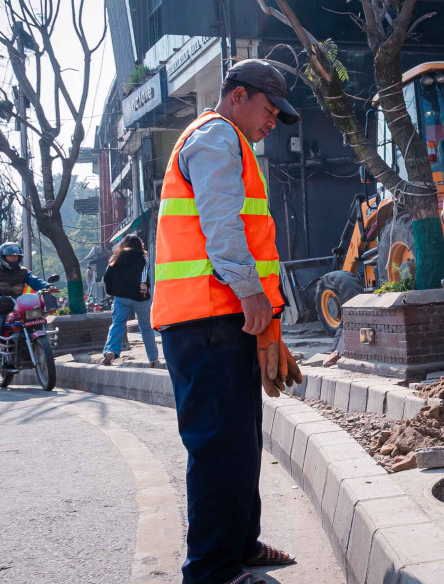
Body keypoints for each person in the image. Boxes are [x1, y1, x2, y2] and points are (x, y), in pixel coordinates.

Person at [152, 59, 304, 584]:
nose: (270, 124)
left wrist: (267, 323)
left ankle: (240, 543)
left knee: (239, 441)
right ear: (238, 96)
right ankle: (212, 570)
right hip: (208, 320)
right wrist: (250, 295)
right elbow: (221, 224)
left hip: (221, 321)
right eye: (267, 110)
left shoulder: (229, 142)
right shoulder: (217, 137)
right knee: (219, 447)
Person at [0, 242, 55, 392]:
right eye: (10, 256)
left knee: (38, 321)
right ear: (3, 257)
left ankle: (40, 350)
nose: (13, 259)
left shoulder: (24, 272)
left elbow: (35, 281)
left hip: (18, 307)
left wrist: (47, 287)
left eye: (16, 256)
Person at [101, 233, 157, 366]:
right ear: (139, 245)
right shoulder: (143, 257)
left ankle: (111, 351)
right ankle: (153, 357)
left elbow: (105, 280)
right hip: (139, 297)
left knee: (117, 324)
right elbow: (144, 275)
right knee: (146, 327)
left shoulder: (115, 257)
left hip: (120, 298)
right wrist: (144, 287)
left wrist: (113, 292)